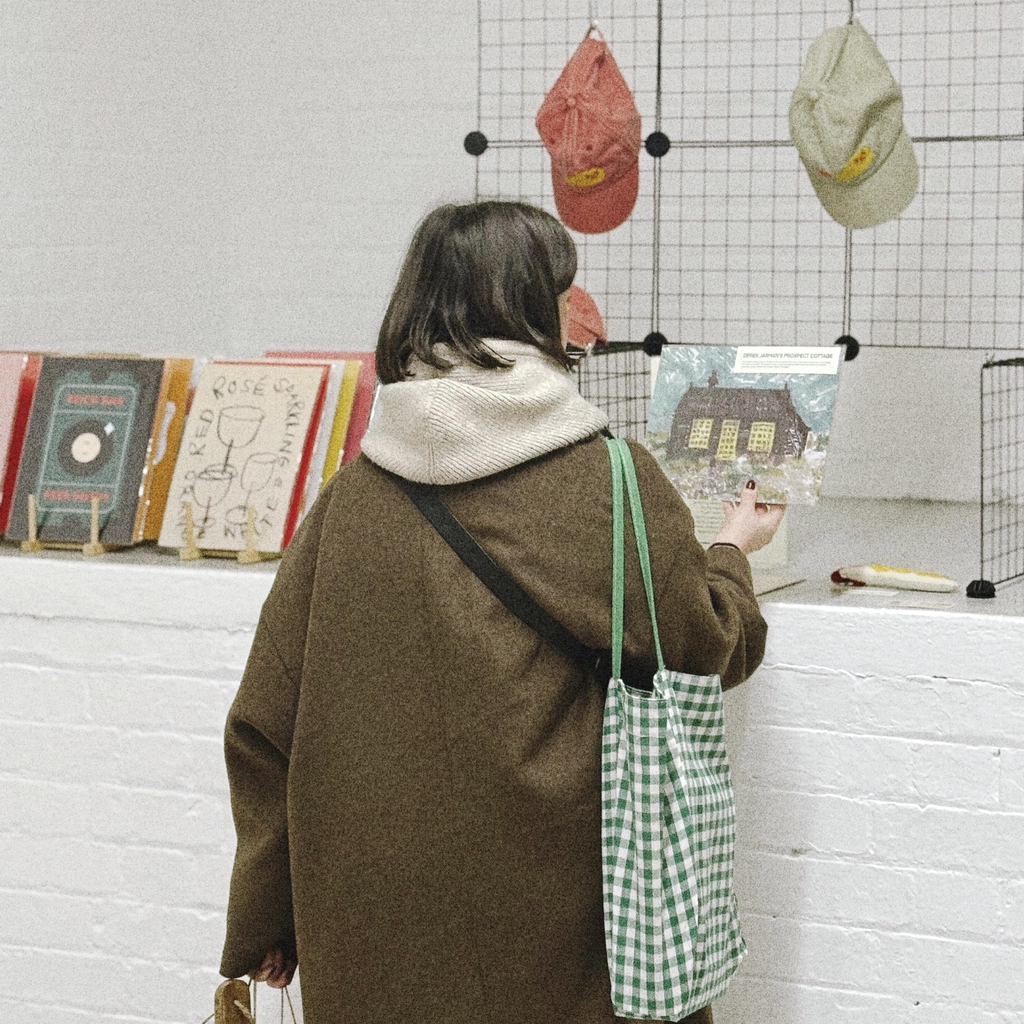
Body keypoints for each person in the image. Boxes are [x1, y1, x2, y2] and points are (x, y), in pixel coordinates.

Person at [219, 200, 785, 1024]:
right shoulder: (609, 483)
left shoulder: (351, 498)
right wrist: (730, 551)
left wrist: (265, 918)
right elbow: (707, 644)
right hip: (563, 921)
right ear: (529, 307)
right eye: (561, 287)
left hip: (373, 926)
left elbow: (264, 721)